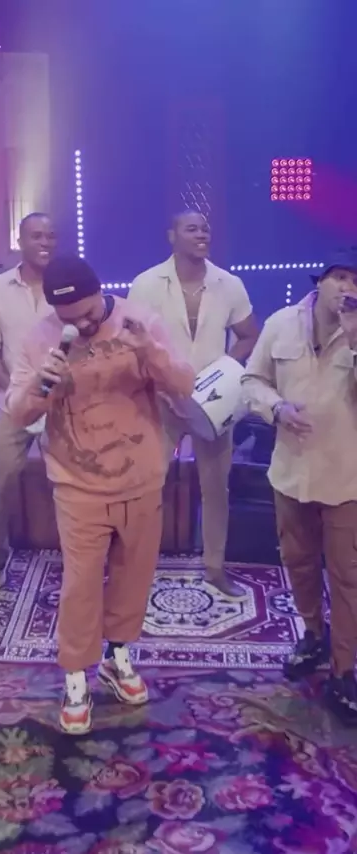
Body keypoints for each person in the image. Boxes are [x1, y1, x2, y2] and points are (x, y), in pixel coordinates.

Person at [7, 254, 195, 735]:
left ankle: (118, 656)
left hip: (141, 477)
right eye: (68, 318)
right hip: (77, 485)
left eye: (89, 313)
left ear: (100, 291)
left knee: (134, 575)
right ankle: (75, 676)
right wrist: (41, 382)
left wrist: (149, 351)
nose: (82, 325)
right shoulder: (40, 337)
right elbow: (17, 412)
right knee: (81, 584)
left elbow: (184, 385)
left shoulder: (139, 320)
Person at [241, 249, 357, 725]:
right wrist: (276, 409)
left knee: (347, 576)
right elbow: (252, 380)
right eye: (340, 277)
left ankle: (345, 670)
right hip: (290, 473)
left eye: (355, 281)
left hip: (346, 478)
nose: (348, 288)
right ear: (320, 282)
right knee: (299, 561)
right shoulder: (281, 324)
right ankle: (312, 635)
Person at [127, 210, 259, 599]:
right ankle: (137, 568)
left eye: (205, 228)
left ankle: (215, 568)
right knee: (147, 487)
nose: (202, 233)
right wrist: (159, 381)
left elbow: (249, 334)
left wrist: (222, 374)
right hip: (161, 400)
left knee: (216, 490)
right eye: (192, 229)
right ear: (172, 236)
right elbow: (130, 343)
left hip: (213, 406)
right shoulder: (146, 284)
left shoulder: (229, 284)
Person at [0, 212, 57, 601]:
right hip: (15, 402)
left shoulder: (67, 283)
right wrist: (12, 391)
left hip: (63, 402)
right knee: (0, 482)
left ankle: (82, 559)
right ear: (20, 241)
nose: (45, 242)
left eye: (51, 236)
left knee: (78, 484)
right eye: (37, 236)